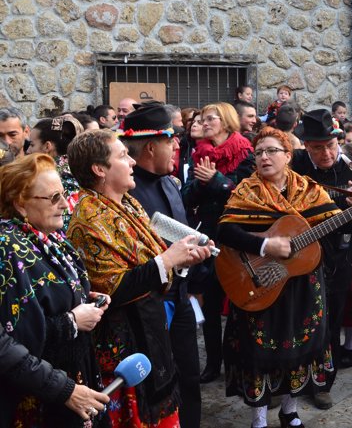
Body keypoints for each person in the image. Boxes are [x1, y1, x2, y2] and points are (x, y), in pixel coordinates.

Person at [217, 126, 352, 428]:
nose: (264, 157)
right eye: (259, 152)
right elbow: (225, 230)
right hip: (262, 279)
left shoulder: (308, 188)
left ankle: (289, 412)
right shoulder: (246, 190)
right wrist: (265, 244)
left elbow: (336, 222)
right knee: (258, 351)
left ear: (288, 155)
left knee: (300, 348)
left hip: (302, 283)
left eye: (271, 151)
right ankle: (259, 418)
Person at [67, 130, 212, 427]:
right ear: (99, 169)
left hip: (150, 330)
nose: (132, 161)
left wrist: (181, 257)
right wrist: (169, 259)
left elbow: (155, 256)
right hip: (122, 343)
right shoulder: (89, 219)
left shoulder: (127, 203)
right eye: (122, 156)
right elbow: (113, 290)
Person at [0, 153, 111, 427]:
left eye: (63, 194)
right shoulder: (6, 248)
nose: (65, 204)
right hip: (39, 396)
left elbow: (52, 291)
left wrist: (85, 298)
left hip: (71, 375)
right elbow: (15, 336)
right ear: (20, 204)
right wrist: (72, 322)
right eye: (53, 198)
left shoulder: (46, 235)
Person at [120, 103, 203, 428]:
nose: (178, 146)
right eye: (172, 140)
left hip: (180, 300)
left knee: (190, 378)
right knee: (159, 385)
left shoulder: (169, 182)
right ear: (152, 145)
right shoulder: (128, 193)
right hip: (150, 306)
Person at [292, 109, 352, 410]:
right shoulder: (294, 168)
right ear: (306, 147)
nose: (326, 153)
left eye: (331, 145)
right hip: (298, 261)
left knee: (331, 323)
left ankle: (323, 383)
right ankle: (293, 380)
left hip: (338, 260)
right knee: (299, 321)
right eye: (318, 147)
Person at [182, 101, 254, 384]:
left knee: (240, 304)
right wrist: (201, 184)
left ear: (225, 121)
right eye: (202, 118)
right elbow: (188, 195)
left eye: (210, 118)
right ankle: (213, 363)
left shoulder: (245, 151)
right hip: (210, 237)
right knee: (210, 304)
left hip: (239, 237)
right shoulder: (201, 153)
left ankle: (240, 361)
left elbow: (244, 192)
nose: (205, 122)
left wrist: (215, 180)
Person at [26, 115, 85, 229]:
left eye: (32, 145)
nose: (28, 151)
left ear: (47, 146)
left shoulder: (47, 178)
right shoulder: (79, 167)